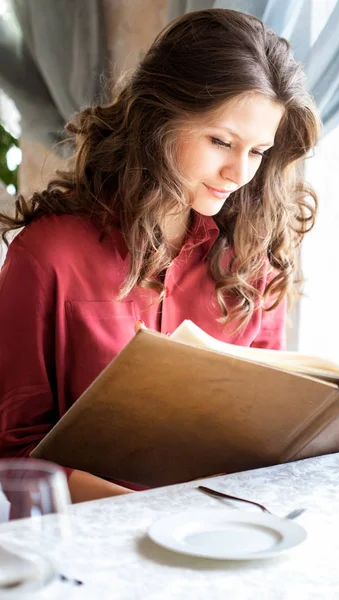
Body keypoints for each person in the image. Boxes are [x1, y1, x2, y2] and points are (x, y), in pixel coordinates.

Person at [0, 9, 320, 502]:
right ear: (158, 118)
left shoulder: (254, 260)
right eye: (221, 141)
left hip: (224, 528)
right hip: (90, 547)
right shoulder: (47, 257)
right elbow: (14, 451)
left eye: (258, 152)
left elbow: (264, 438)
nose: (239, 172)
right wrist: (146, 513)